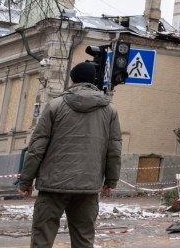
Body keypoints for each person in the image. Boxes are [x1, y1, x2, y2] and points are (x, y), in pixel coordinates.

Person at [18, 61, 122, 248]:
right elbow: (114, 150)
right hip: (88, 186)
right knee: (84, 239)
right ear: (93, 82)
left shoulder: (55, 106)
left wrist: (26, 181)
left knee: (42, 238)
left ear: (72, 80)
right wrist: (111, 181)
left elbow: (37, 147)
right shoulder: (109, 110)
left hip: (53, 185)